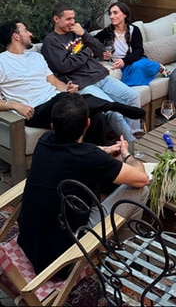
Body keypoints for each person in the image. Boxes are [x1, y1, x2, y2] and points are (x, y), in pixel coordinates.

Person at [17, 93, 149, 275]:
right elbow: (142, 178)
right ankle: (124, 253)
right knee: (140, 190)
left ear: (53, 125)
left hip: (31, 242)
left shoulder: (44, 142)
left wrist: (104, 151)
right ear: (87, 124)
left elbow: (79, 152)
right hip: (63, 258)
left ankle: (119, 248)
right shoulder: (90, 158)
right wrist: (127, 155)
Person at [42, 3, 142, 142]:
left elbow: (100, 50)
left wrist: (84, 34)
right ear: (56, 19)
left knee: (134, 97)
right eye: (68, 19)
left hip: (100, 76)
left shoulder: (76, 34)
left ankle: (135, 134)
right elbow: (64, 66)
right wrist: (88, 52)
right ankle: (133, 146)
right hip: (83, 84)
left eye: (73, 18)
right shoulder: (51, 41)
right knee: (114, 112)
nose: (72, 22)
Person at [94, 1, 170, 86]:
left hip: (132, 61)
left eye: (115, 13)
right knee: (132, 71)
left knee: (139, 65)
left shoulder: (134, 30)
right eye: (110, 14)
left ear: (125, 14)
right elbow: (92, 43)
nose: (112, 16)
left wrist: (124, 61)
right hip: (116, 64)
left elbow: (139, 51)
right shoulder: (106, 32)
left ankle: (157, 67)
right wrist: (101, 54)